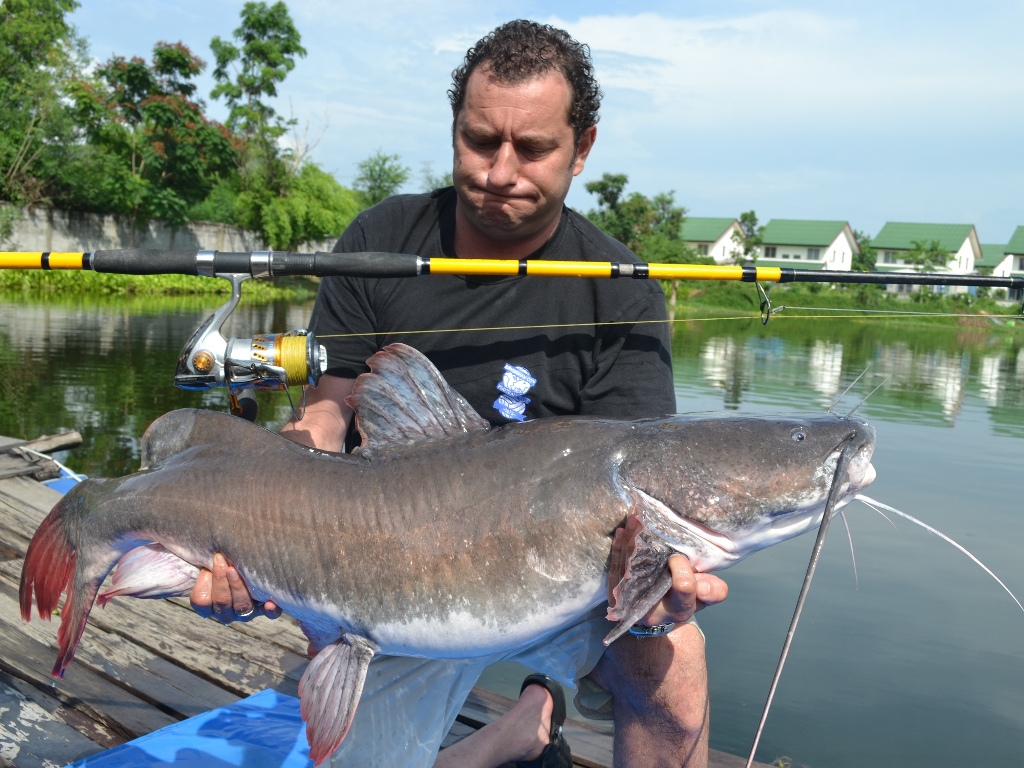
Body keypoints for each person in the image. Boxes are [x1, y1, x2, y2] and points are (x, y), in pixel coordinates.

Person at [192, 19, 728, 768]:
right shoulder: (380, 239)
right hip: (391, 575)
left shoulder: (622, 290)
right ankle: (517, 728)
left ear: (582, 148)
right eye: (480, 141)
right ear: (455, 128)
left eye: (533, 148)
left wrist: (655, 598)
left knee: (676, 673)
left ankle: (532, 707)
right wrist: (267, 511)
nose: (500, 171)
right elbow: (327, 411)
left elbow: (636, 483)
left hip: (567, 584)